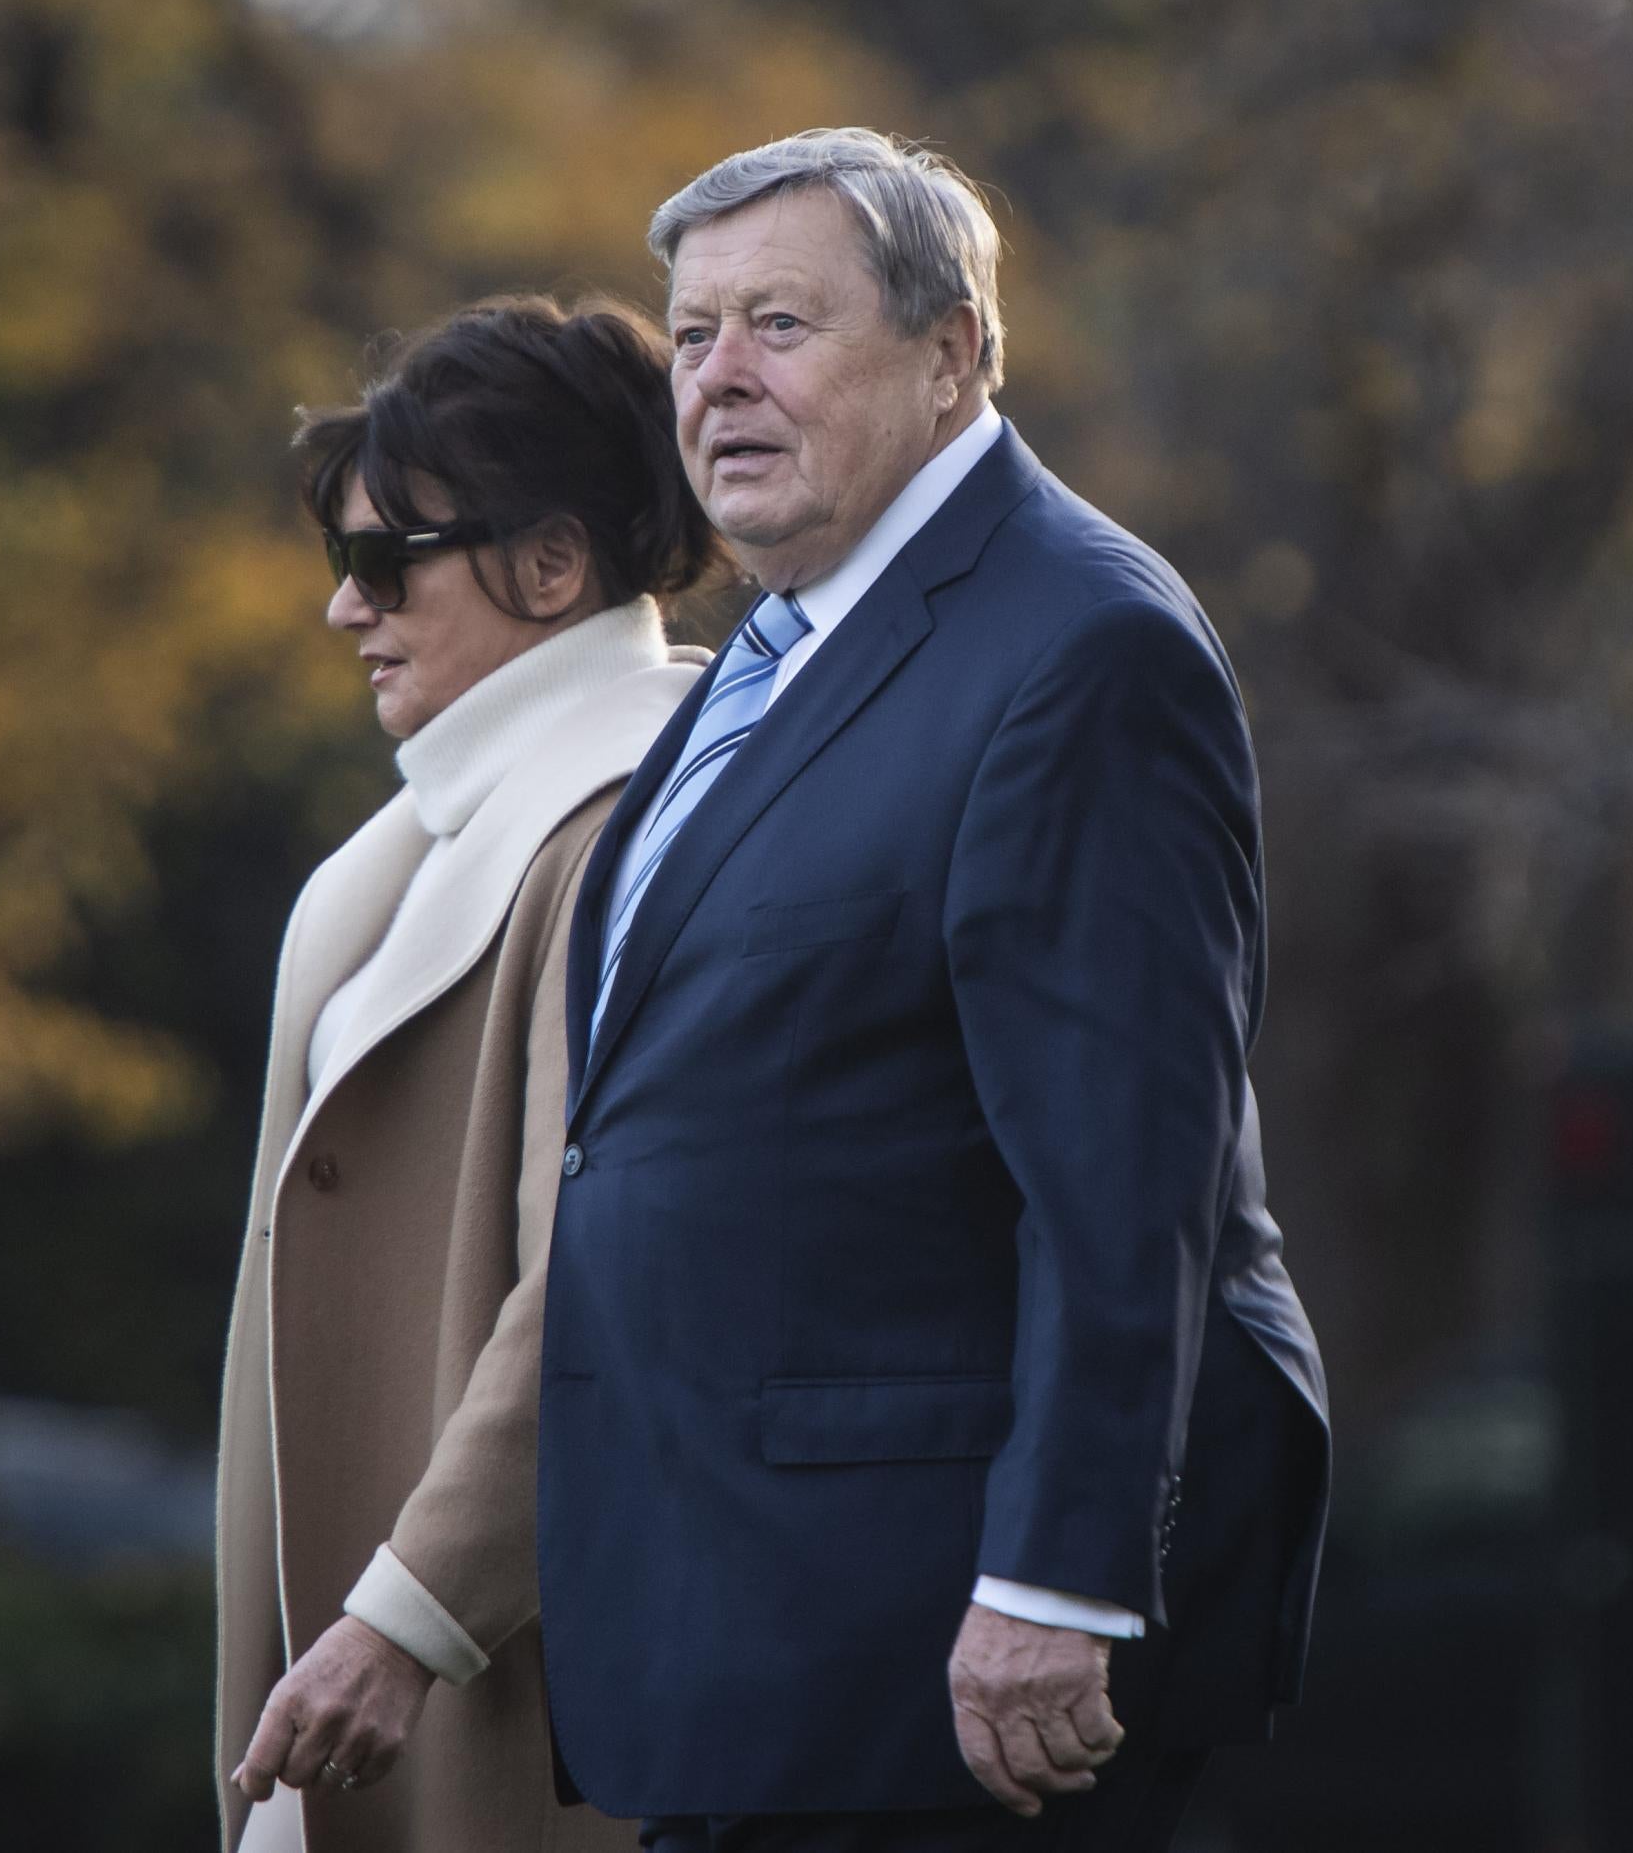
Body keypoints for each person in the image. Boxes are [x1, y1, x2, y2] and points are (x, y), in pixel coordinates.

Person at [534, 130, 1332, 1853]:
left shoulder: (1078, 647)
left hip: (945, 1646)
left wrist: (1061, 1574)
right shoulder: (785, 631)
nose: (717, 380)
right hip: (753, 1612)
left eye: (780, 326)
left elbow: (1129, 1182)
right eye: (690, 335)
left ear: (956, 349)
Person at [214, 294, 717, 1853]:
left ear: (552, 565)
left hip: (505, 1684)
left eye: (382, 564)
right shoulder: (447, 832)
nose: (343, 613)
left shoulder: (638, 823)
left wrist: (411, 1611)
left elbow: (604, 1283)